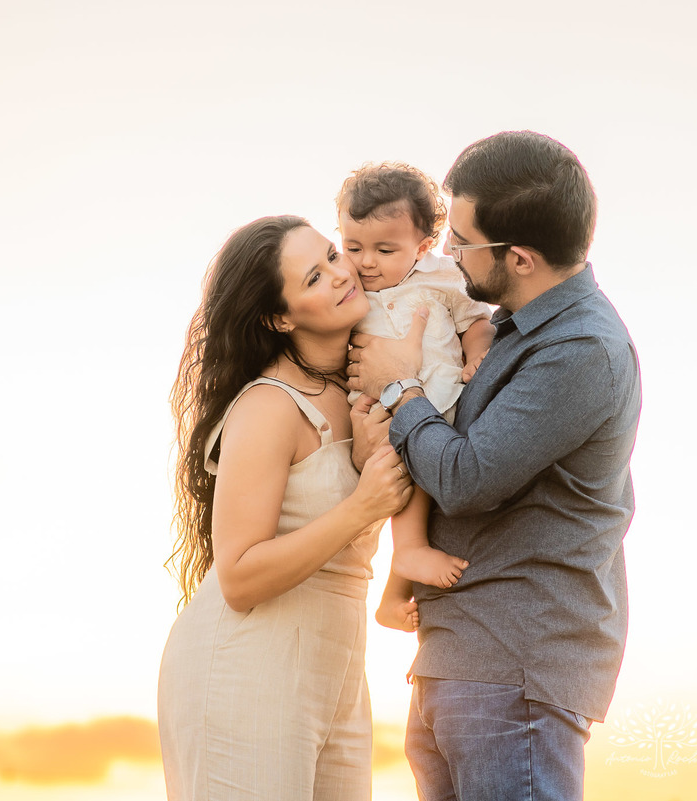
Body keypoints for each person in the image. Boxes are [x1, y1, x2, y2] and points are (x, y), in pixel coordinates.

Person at [348, 131, 641, 801]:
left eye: (460, 241)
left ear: (521, 257)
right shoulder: (510, 324)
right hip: (463, 663)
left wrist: (400, 387)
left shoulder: (580, 351)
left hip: (515, 675)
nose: (447, 252)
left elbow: (466, 477)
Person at [157, 215, 413, 801]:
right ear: (280, 317)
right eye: (315, 278)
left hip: (338, 667)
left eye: (333, 255)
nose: (343, 275)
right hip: (248, 664)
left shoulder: (363, 387)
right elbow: (240, 577)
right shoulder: (271, 406)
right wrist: (361, 506)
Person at [335, 162, 494, 617]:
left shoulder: (442, 277)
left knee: (424, 466)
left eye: (385, 250)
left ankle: (395, 586)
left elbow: (476, 321)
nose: (366, 261)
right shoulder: (347, 284)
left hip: (438, 395)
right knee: (396, 470)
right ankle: (402, 564)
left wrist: (478, 354)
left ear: (422, 247)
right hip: (376, 408)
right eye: (353, 246)